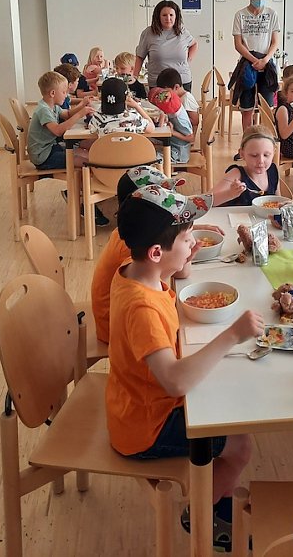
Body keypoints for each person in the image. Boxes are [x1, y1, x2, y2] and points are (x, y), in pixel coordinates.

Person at [106, 185, 264, 551]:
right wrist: (232, 335)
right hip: (147, 428)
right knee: (240, 445)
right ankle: (202, 512)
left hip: (135, 404)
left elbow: (173, 274)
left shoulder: (137, 272)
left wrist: (183, 254)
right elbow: (175, 382)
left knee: (227, 402)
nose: (193, 242)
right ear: (157, 252)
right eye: (187, 237)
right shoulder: (141, 309)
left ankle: (216, 498)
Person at [91, 165, 244, 344]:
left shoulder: (135, 237)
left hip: (129, 325)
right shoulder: (132, 250)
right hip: (117, 329)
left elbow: (175, 272)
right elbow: (181, 274)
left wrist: (185, 234)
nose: (169, 196)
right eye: (161, 194)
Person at [27, 71, 109, 225]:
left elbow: (67, 114)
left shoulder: (52, 106)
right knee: (86, 162)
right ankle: (85, 204)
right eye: (64, 92)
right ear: (52, 93)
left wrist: (82, 105)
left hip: (50, 149)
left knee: (87, 155)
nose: (66, 95)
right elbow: (58, 131)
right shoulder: (43, 110)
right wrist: (80, 114)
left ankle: (80, 194)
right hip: (43, 157)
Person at [231, 0, 280, 130]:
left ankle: (267, 141)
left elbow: (275, 42)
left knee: (267, 108)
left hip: (267, 63)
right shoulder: (240, 15)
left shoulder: (272, 14)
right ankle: (247, 141)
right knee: (247, 109)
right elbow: (238, 44)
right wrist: (254, 60)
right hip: (247, 63)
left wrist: (265, 60)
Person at [135, 0, 197, 92]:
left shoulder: (183, 31)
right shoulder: (148, 33)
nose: (168, 18)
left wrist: (188, 60)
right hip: (158, 82)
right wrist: (135, 77)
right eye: (164, 15)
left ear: (176, 16)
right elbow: (140, 56)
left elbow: (194, 44)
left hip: (182, 81)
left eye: (171, 15)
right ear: (158, 16)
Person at [217, 124, 281, 206]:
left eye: (266, 155)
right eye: (254, 155)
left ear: (274, 153)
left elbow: (278, 200)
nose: (261, 161)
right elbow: (205, 201)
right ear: (242, 154)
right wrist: (229, 194)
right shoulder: (236, 174)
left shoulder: (272, 170)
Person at [87, 76, 156, 135]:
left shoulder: (97, 117)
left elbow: (92, 131)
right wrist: (137, 106)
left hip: (106, 147)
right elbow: (151, 128)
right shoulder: (134, 117)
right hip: (131, 147)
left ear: (101, 98)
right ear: (126, 98)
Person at [148, 84, 193, 163]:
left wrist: (173, 132)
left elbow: (191, 138)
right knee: (147, 143)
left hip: (178, 153)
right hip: (172, 144)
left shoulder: (180, 120)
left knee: (148, 157)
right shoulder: (175, 108)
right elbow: (161, 125)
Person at [156, 67, 200, 132]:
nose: (164, 94)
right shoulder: (176, 98)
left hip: (184, 134)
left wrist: (175, 119)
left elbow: (195, 121)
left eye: (166, 91)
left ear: (176, 87)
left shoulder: (187, 98)